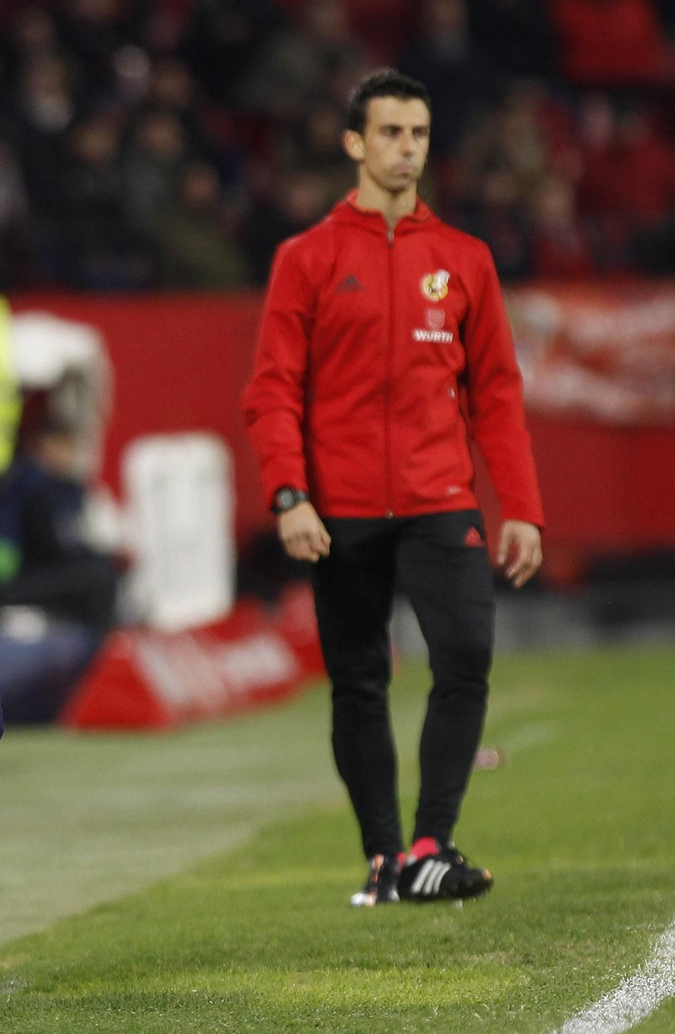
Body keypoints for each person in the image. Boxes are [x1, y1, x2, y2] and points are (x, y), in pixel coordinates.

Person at [243, 69, 545, 908]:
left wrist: (522, 508)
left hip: (440, 498)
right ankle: (384, 858)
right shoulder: (306, 258)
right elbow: (272, 391)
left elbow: (497, 394)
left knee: (466, 658)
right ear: (354, 142)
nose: (407, 148)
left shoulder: (464, 259)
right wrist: (288, 495)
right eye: (390, 132)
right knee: (359, 681)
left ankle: (430, 846)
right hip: (338, 511)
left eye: (418, 133)